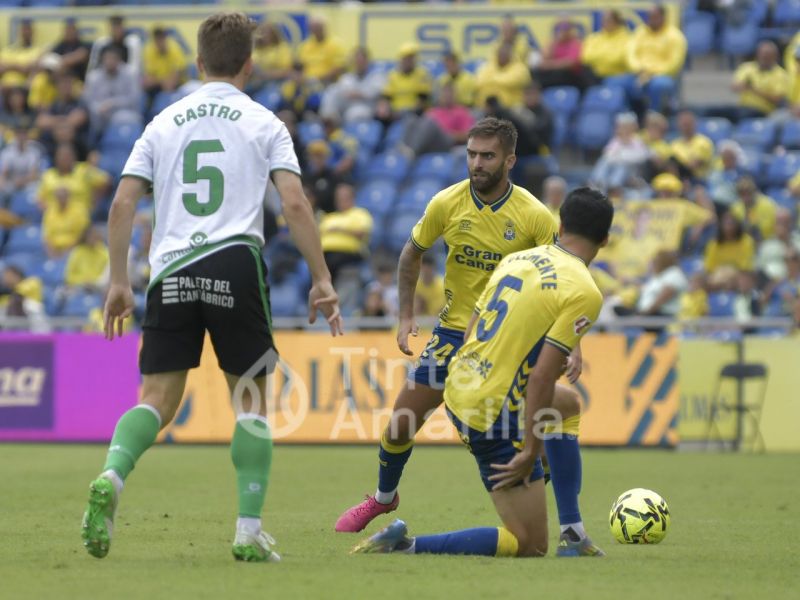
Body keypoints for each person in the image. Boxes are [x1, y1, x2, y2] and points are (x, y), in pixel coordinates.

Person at [80, 12, 343, 563]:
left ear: (198, 63)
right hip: (234, 264)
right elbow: (294, 203)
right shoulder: (264, 121)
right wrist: (321, 279)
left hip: (172, 268)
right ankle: (248, 532)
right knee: (250, 400)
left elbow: (124, 203)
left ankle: (112, 473)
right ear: (249, 63)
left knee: (156, 400)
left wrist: (120, 282)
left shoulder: (162, 122)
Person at [335, 119, 587, 545]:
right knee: (399, 424)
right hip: (452, 335)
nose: (476, 163)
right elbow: (411, 254)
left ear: (509, 160)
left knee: (549, 411)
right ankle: (383, 498)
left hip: (508, 342)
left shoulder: (533, 216)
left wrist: (571, 344)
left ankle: (559, 515)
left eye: (487, 156)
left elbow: (563, 279)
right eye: (471, 154)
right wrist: (405, 316)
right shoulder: (446, 203)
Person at [352, 188, 613, 558]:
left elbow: (475, 321)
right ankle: (404, 546)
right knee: (529, 545)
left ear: (560, 224)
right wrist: (530, 450)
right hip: (491, 408)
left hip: (464, 380)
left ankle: (572, 531)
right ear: (605, 239)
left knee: (567, 405)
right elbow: (541, 376)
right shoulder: (585, 290)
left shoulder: (518, 259)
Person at [624, 5, 687, 112]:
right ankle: (629, 119)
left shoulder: (675, 36)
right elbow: (630, 53)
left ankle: (653, 117)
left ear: (663, 17)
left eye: (654, 17)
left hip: (661, 75)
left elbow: (674, 64)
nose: (651, 20)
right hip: (639, 73)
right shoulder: (640, 32)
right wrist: (638, 69)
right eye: (649, 17)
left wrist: (651, 73)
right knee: (618, 83)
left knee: (659, 85)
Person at [82, 45, 142, 133]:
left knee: (125, 117)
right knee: (91, 117)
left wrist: (113, 103)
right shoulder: (93, 77)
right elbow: (88, 100)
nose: (110, 62)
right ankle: (95, 144)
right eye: (107, 59)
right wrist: (98, 108)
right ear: (102, 60)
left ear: (119, 60)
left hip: (125, 112)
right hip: (100, 116)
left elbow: (134, 99)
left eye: (113, 58)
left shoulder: (130, 74)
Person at [320, 47, 385, 123]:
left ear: (367, 61)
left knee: (355, 113)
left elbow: (375, 93)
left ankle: (345, 130)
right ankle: (328, 121)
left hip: (366, 106)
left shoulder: (377, 76)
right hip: (348, 105)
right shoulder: (347, 77)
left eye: (361, 61)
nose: (359, 63)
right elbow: (343, 91)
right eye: (357, 61)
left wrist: (358, 94)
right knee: (332, 90)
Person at [590, 112, 648, 190]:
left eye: (625, 127)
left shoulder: (637, 141)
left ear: (633, 127)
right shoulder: (616, 141)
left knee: (623, 165)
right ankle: (597, 181)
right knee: (603, 161)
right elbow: (607, 156)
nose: (621, 130)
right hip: (612, 169)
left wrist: (620, 155)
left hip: (632, 173)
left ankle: (614, 185)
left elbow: (641, 157)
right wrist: (621, 156)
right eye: (620, 127)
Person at [731, 41, 787, 119]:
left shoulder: (781, 74)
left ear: (775, 57)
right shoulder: (746, 67)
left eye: (767, 55)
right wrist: (740, 86)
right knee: (715, 111)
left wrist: (753, 89)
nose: (764, 57)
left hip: (764, 111)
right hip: (742, 107)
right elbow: (734, 87)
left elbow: (778, 99)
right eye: (762, 54)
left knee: (743, 115)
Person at [531, 20, 585, 90]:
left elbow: (570, 63)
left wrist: (550, 65)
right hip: (554, 72)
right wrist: (553, 43)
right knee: (535, 73)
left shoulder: (575, 43)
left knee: (560, 74)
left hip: (570, 75)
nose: (562, 31)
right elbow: (544, 59)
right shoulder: (554, 42)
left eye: (565, 28)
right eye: (559, 28)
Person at [581, 10, 631, 83]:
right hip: (595, 75)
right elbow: (585, 57)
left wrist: (598, 57)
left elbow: (619, 59)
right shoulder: (593, 38)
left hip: (618, 75)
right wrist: (608, 56)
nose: (605, 23)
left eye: (609, 20)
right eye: (603, 21)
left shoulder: (627, 38)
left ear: (617, 22)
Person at [476, 43, 531, 109]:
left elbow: (511, 81)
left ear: (511, 55)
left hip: (512, 108)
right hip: (485, 108)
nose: (502, 56)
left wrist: (492, 79)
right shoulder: (488, 66)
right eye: (500, 54)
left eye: (505, 54)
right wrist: (497, 80)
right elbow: (479, 81)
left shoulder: (521, 68)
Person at [142, 26, 188, 103]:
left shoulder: (175, 49)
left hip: (178, 87)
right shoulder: (149, 49)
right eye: (156, 40)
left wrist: (157, 81)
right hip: (158, 87)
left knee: (166, 97)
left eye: (161, 39)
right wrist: (162, 81)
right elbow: (148, 81)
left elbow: (172, 83)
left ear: (165, 39)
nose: (159, 43)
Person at [383, 43, 432, 114]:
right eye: (406, 58)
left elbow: (423, 97)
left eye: (411, 58)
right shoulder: (392, 75)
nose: (408, 61)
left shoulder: (422, 74)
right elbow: (387, 98)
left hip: (415, 113)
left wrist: (412, 111)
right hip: (395, 112)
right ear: (401, 59)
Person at [296, 16, 346, 84]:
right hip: (306, 82)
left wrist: (317, 80)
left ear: (324, 28)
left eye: (317, 28)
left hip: (328, 82)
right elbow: (300, 65)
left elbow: (339, 68)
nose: (315, 31)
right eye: (312, 29)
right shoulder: (305, 45)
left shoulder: (336, 44)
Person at [0, 18, 43, 91]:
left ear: (32, 32)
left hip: (23, 88)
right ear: (19, 32)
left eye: (28, 29)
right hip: (3, 87)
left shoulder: (38, 50)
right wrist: (19, 66)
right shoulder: (8, 50)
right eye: (23, 29)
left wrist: (9, 66)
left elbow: (28, 69)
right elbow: (1, 68)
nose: (25, 32)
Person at [730, 176, 777, 241]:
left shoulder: (767, 204)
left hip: (766, 240)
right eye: (742, 193)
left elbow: (769, 228)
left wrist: (751, 218)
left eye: (748, 192)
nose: (746, 197)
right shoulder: (735, 207)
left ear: (754, 191)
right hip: (743, 243)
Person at [670, 110, 714, 181]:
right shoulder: (674, 144)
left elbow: (694, 165)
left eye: (688, 124)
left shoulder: (704, 142)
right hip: (678, 180)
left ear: (694, 124)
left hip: (698, 180)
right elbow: (671, 167)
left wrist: (677, 165)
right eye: (683, 124)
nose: (686, 127)